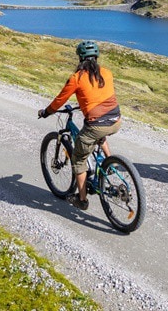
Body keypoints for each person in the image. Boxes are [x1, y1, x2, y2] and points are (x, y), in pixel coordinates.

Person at [38, 40, 121, 210]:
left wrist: (46, 112)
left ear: (80, 58)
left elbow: (60, 100)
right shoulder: (107, 72)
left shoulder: (77, 78)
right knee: (97, 132)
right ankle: (109, 162)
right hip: (115, 120)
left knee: (78, 158)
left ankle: (82, 200)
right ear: (96, 57)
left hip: (97, 125)